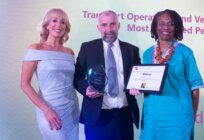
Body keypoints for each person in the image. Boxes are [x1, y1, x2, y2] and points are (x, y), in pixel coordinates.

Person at [130, 9, 204, 140]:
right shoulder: (147, 54)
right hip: (152, 115)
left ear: (177, 27)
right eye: (161, 23)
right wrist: (137, 87)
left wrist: (192, 115)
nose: (166, 27)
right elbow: (146, 82)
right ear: (155, 27)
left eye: (171, 24)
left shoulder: (186, 52)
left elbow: (195, 89)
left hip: (179, 116)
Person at [74, 10, 140, 140]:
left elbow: (137, 78)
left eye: (112, 24)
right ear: (98, 27)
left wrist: (139, 86)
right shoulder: (88, 48)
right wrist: (86, 89)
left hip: (124, 115)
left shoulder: (131, 50)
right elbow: (77, 78)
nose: (109, 29)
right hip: (97, 116)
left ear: (118, 25)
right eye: (104, 25)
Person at [20, 8, 79, 140]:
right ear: (46, 25)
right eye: (54, 20)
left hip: (71, 108)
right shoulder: (35, 49)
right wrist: (46, 110)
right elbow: (24, 84)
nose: (58, 25)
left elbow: (73, 80)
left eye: (63, 22)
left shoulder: (69, 53)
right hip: (49, 108)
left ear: (66, 27)